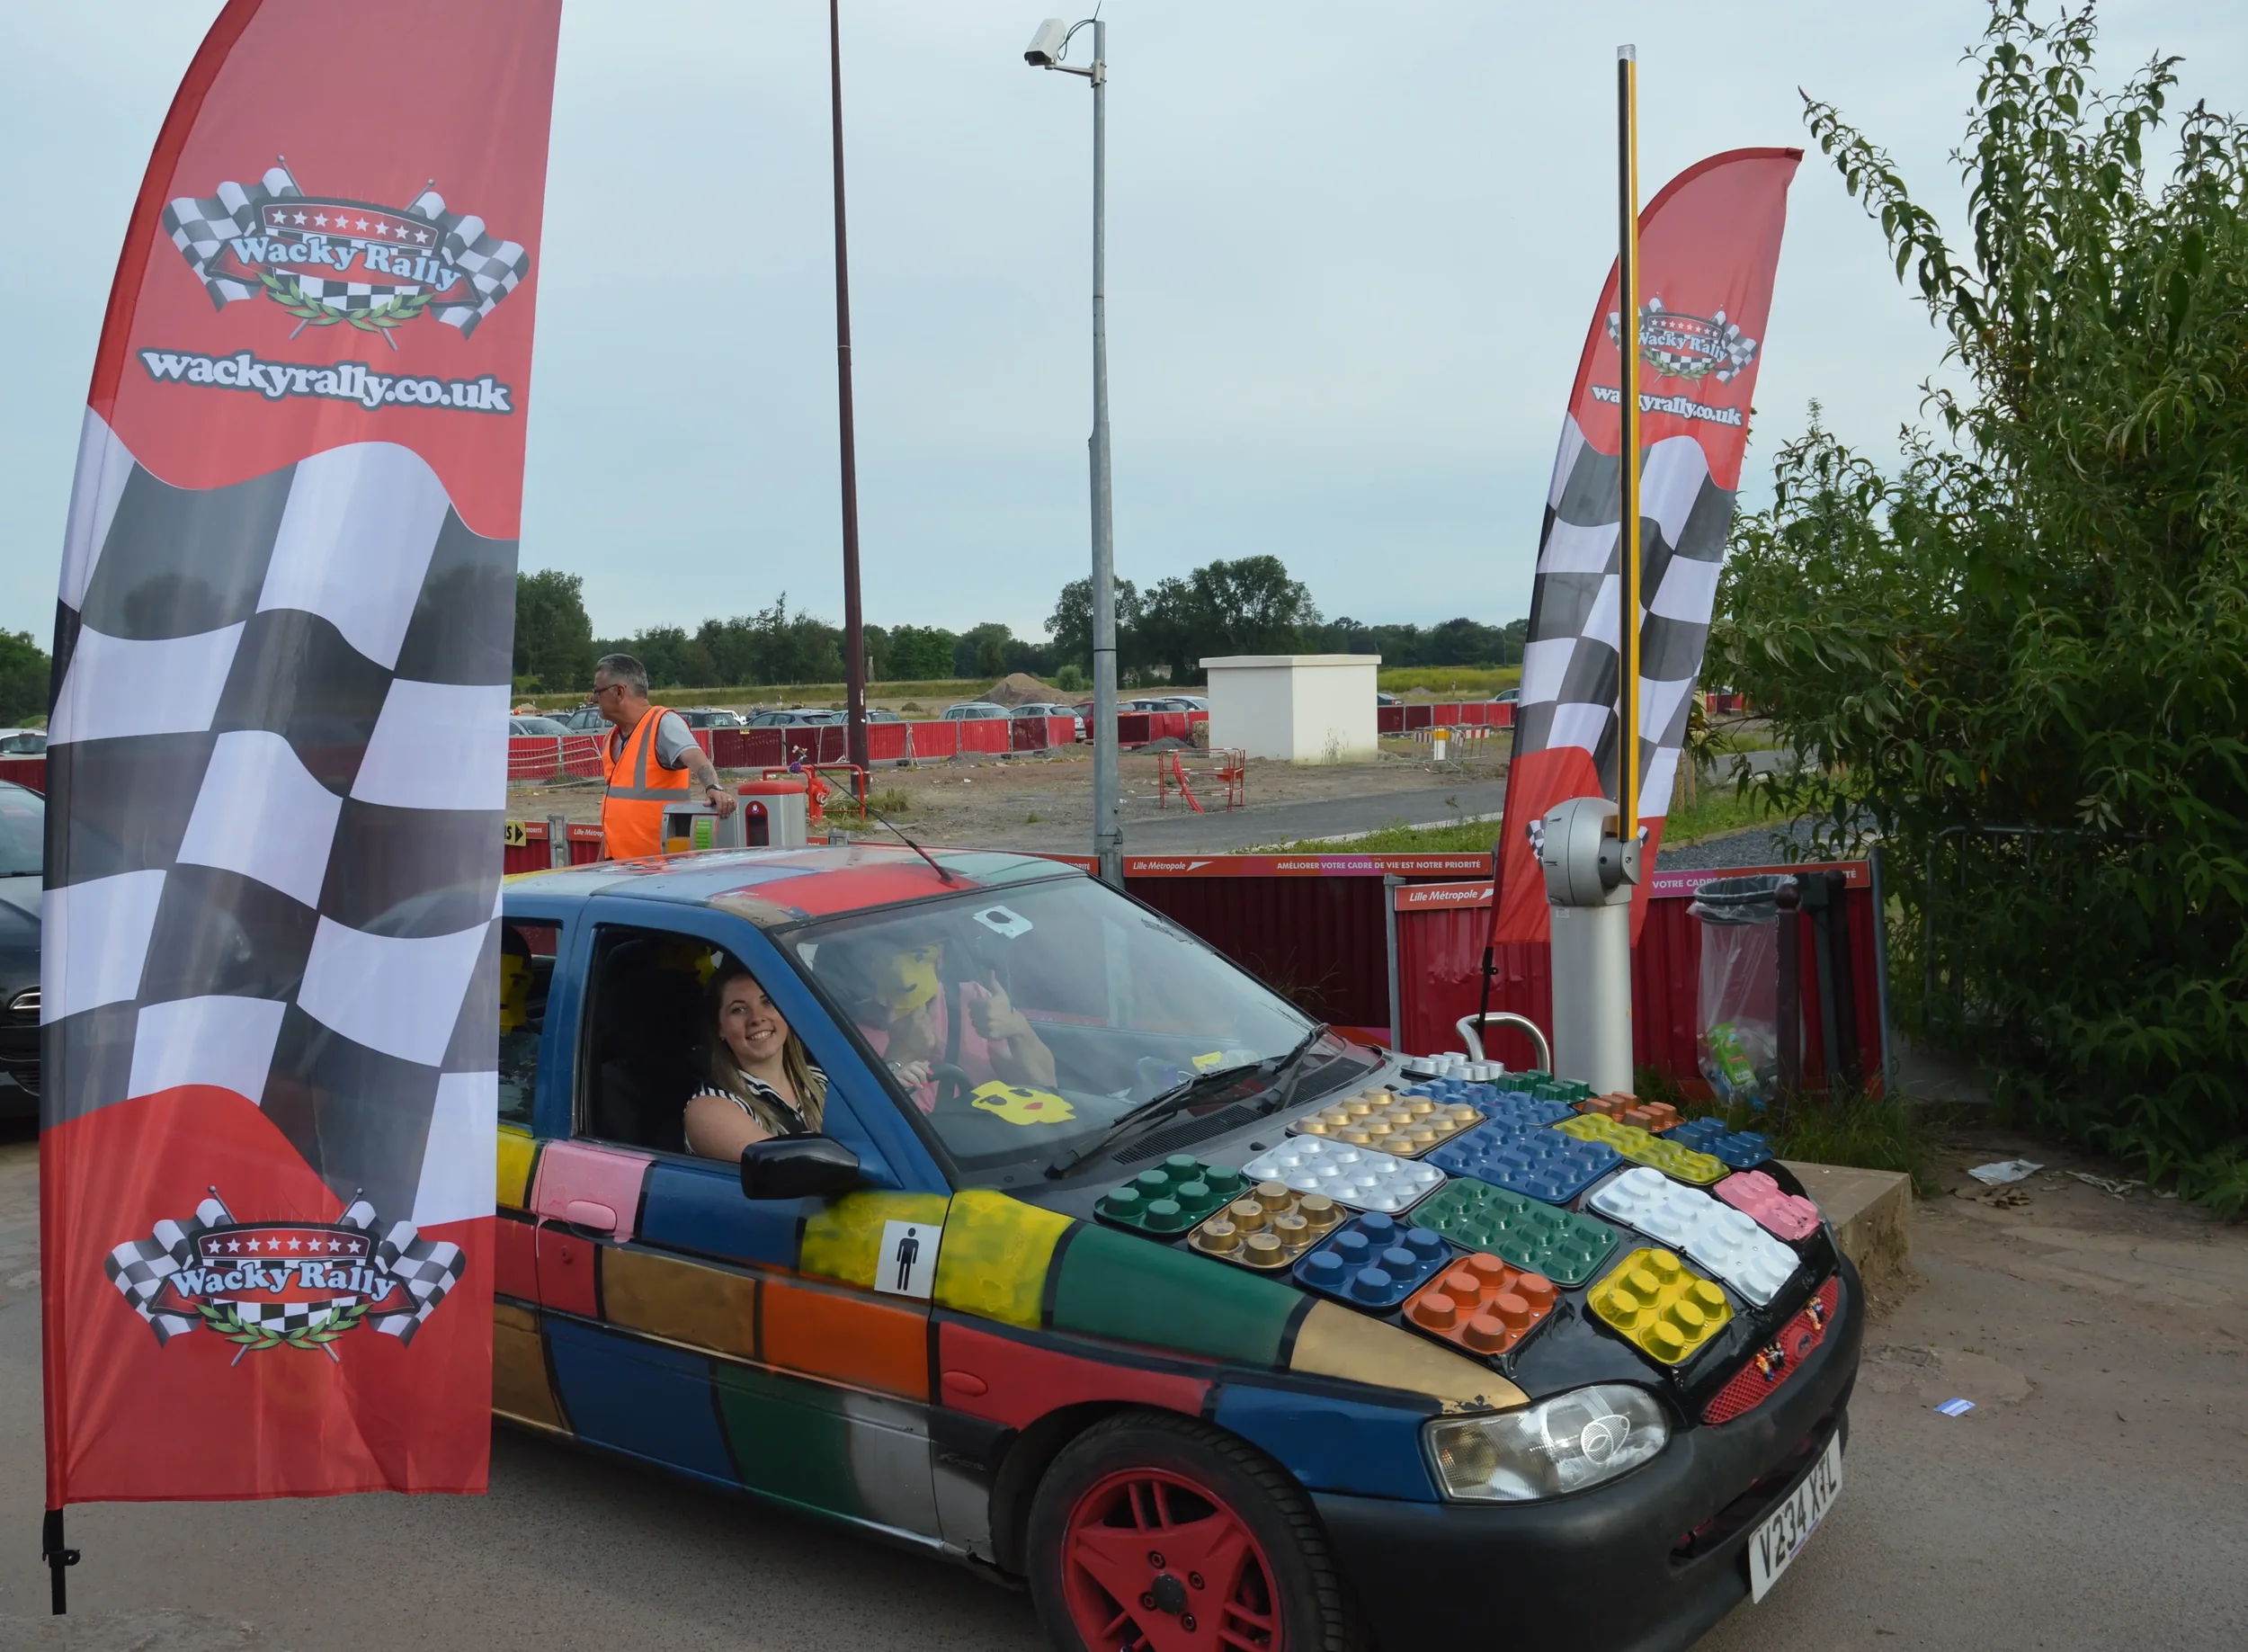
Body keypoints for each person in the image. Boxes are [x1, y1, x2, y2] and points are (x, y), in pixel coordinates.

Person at [822, 933, 1056, 1111]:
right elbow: (890, 1139)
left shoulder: (973, 1000)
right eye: (875, 960)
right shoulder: (843, 1035)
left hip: (997, 1144)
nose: (902, 974)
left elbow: (1045, 1089)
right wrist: (897, 1061)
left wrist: (1020, 1030)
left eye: (917, 955)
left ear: (938, 957)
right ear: (857, 969)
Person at [593, 652, 736, 860]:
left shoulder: (663, 723)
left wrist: (713, 787)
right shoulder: (611, 740)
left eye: (597, 691)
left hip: (658, 872)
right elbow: (615, 815)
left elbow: (696, 757)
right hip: (619, 869)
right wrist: (601, 866)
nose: (593, 698)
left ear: (619, 692)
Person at [682, 965, 828, 1162]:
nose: (757, 1018)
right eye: (739, 1009)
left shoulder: (821, 1079)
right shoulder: (709, 1108)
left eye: (767, 1001)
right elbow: (800, 1171)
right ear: (720, 1029)